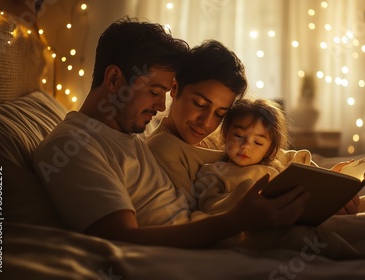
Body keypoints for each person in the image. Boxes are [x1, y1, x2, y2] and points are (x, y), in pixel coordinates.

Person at [32, 17, 310, 249]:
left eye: (165, 92)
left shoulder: (129, 132)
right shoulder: (70, 146)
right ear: (114, 79)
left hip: (215, 235)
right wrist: (236, 221)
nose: (161, 104)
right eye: (154, 92)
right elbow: (120, 240)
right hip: (199, 249)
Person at [196, 98, 352, 215]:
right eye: (238, 136)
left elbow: (302, 162)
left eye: (257, 142)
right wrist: (241, 197)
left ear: (269, 150)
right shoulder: (215, 171)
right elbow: (208, 205)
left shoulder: (275, 163)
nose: (246, 146)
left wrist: (332, 177)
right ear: (225, 134)